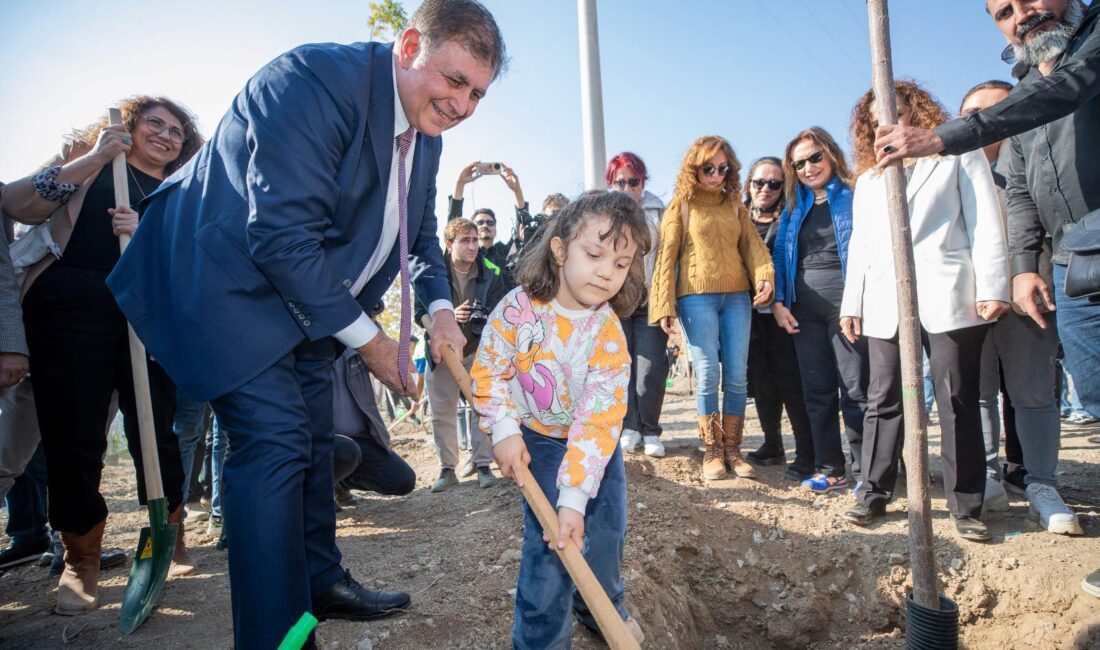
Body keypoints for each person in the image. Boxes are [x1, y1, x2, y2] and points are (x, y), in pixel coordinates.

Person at [103, 2, 506, 646]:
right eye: (454, 81)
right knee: (277, 439)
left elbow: (422, 236)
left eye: (477, 93)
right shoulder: (313, 81)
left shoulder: (425, 137)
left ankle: (319, 579)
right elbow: (281, 238)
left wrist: (437, 314)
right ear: (409, 47)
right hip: (224, 283)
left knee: (317, 439)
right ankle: (276, 635)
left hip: (312, 304)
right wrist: (373, 343)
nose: (462, 105)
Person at [1, 97, 202, 613]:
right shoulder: (85, 164)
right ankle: (80, 559)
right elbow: (17, 204)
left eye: (177, 131)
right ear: (128, 128)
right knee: (73, 435)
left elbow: (194, 260)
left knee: (156, 430)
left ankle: (167, 535)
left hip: (146, 313)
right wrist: (93, 157)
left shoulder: (184, 189)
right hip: (69, 314)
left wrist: (143, 235)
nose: (165, 134)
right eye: (154, 123)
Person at [470, 191, 648, 648]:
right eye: (595, 254)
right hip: (538, 439)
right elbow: (488, 370)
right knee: (551, 547)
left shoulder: (608, 336)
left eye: (622, 263)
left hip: (592, 447)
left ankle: (600, 604)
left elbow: (598, 421)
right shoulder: (516, 309)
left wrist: (575, 494)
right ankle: (539, 641)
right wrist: (505, 431)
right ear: (560, 248)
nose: (608, 271)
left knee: (606, 530)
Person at [840, 81, 1011, 542]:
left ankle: (966, 504)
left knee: (957, 398)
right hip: (883, 299)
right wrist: (851, 301)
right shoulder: (870, 180)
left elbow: (984, 222)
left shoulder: (956, 156)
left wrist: (994, 284)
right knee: (883, 397)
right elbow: (861, 246)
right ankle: (873, 493)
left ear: (915, 111)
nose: (885, 123)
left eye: (895, 112)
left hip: (949, 293)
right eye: (876, 118)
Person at [960, 80, 1081, 535]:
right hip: (970, 305)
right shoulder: (951, 171)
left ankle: (1042, 485)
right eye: (971, 112)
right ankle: (988, 475)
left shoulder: (1037, 163)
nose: (982, 121)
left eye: (996, 111)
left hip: (1028, 297)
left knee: (1034, 395)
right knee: (977, 395)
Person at [650, 136, 775, 481]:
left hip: (737, 297)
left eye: (724, 168)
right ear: (694, 168)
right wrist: (664, 305)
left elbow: (754, 248)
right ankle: (712, 452)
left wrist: (765, 275)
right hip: (696, 298)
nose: (717, 174)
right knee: (707, 374)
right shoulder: (681, 205)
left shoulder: (735, 204)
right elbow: (666, 258)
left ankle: (733, 450)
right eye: (709, 168)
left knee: (737, 375)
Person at [771, 127, 869, 494]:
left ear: (830, 154)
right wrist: (779, 302)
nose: (809, 168)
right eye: (799, 163)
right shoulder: (794, 206)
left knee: (856, 390)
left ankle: (867, 470)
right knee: (817, 391)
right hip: (803, 310)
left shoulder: (856, 194)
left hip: (849, 306)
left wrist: (860, 301)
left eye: (815, 157)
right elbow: (781, 254)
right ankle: (831, 468)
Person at [419, 218, 506, 492]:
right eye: (465, 241)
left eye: (475, 240)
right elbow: (419, 311)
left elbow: (500, 309)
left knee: (482, 407)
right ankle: (447, 469)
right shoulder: (434, 272)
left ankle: (483, 465)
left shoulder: (490, 271)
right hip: (443, 353)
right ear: (449, 244)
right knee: (441, 411)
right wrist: (444, 321)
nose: (472, 246)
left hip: (478, 349)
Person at [741, 157, 815, 480]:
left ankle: (806, 451)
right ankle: (772, 445)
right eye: (760, 182)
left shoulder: (790, 218)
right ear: (749, 184)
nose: (766, 189)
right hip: (748, 314)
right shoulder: (738, 217)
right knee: (760, 381)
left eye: (774, 183)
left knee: (789, 382)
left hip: (782, 312)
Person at [604, 152, 669, 458]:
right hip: (616, 304)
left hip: (651, 302)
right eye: (620, 182)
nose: (627, 187)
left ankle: (651, 429)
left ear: (643, 183)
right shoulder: (601, 214)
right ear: (610, 184)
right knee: (622, 369)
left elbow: (670, 258)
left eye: (634, 181)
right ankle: (629, 427)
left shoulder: (659, 211)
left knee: (651, 370)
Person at [448, 161, 528, 273]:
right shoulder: (467, 252)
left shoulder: (505, 253)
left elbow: (522, 227)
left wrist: (517, 191)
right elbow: (453, 228)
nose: (485, 225)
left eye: (490, 223)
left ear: (496, 230)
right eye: (480, 223)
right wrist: (460, 184)